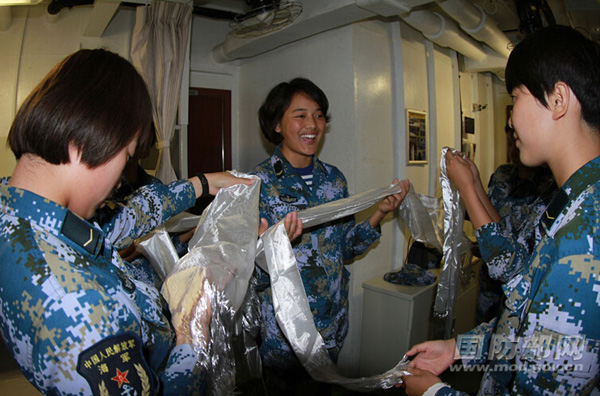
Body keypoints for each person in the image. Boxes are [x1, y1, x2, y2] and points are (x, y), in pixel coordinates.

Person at [0, 48, 301, 395]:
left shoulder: (23, 215)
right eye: (126, 155)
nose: (118, 181)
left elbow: (123, 219)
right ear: (92, 136)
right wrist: (189, 335)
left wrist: (202, 184)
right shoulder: (81, 310)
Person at [402, 25, 600, 395]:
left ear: (558, 99)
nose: (510, 119)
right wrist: (461, 348)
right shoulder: (576, 205)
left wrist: (433, 393)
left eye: (517, 97)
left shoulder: (586, 236)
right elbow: (537, 336)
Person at [251, 77, 410, 393]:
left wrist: (380, 212)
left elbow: (346, 248)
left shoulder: (334, 180)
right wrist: (276, 247)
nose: (312, 124)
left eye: (319, 115)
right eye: (300, 115)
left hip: (332, 325)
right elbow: (248, 274)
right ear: (277, 125)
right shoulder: (258, 184)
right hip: (285, 334)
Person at [450, 124, 558, 324]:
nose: (513, 151)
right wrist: (474, 182)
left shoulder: (551, 187)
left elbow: (512, 260)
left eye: (518, 143)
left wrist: (467, 188)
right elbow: (496, 224)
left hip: (519, 290)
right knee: (486, 334)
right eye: (511, 143)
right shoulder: (502, 174)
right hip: (490, 285)